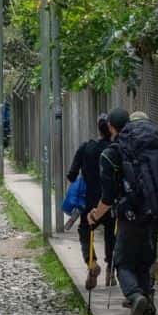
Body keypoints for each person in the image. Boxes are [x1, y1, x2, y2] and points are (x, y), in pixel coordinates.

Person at [88, 107, 158, 315]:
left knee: (123, 264)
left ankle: (135, 297)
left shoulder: (111, 154)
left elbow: (107, 199)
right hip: (154, 215)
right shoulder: (151, 148)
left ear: (110, 127)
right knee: (144, 264)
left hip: (130, 217)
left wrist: (94, 217)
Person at [66, 115, 115, 290]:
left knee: (85, 231)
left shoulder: (86, 147)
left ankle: (92, 263)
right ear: (111, 128)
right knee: (112, 232)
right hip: (111, 202)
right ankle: (111, 267)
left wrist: (72, 196)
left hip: (89, 203)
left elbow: (72, 175)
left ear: (98, 128)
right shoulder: (115, 149)